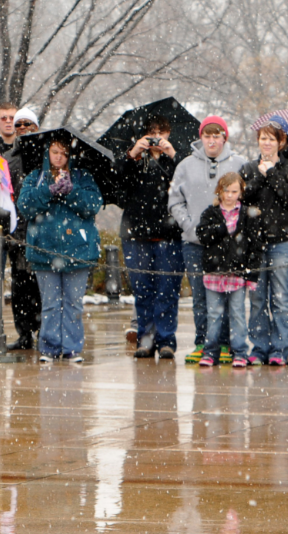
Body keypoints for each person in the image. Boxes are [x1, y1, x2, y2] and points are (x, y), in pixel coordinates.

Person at [168, 115, 247, 363]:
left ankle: (224, 344)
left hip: (228, 244)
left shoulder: (240, 163)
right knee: (201, 297)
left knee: (228, 297)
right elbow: (175, 201)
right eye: (207, 135)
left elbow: (248, 200)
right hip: (194, 243)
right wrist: (189, 225)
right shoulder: (185, 165)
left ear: (225, 137)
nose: (211, 140)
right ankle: (203, 342)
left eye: (216, 135)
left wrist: (237, 229)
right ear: (200, 137)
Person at [18, 140, 103, 362]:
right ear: (47, 153)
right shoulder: (36, 176)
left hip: (78, 251)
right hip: (44, 251)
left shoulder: (82, 177)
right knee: (50, 303)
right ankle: (49, 347)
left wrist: (72, 192)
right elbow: (25, 206)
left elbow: (93, 205)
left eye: (64, 153)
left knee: (73, 303)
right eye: (54, 152)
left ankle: (72, 348)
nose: (59, 157)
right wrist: (48, 191)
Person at [116, 115, 180, 359]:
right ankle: (145, 339)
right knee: (142, 290)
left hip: (169, 234)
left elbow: (186, 183)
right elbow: (117, 180)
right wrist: (132, 154)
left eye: (161, 133)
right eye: (151, 133)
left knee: (167, 290)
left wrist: (172, 154)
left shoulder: (175, 161)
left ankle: (166, 341)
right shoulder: (133, 159)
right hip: (136, 234)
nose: (156, 138)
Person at [241, 120, 288, 366]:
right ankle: (258, 347)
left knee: (281, 298)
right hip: (256, 243)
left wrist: (274, 173)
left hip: (283, 242)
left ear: (281, 142)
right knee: (257, 300)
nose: (266, 143)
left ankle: (280, 348)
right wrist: (260, 174)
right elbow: (244, 199)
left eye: (271, 139)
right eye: (263, 138)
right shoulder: (248, 167)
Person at [196, 172, 261, 368]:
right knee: (214, 314)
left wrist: (252, 274)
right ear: (220, 191)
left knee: (238, 314)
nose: (230, 195)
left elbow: (255, 246)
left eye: (234, 191)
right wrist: (219, 229)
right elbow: (202, 235)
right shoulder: (210, 213)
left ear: (241, 192)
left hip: (237, 274)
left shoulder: (247, 214)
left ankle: (240, 351)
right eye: (226, 191)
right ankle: (210, 352)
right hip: (214, 273)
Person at [4, 108, 42, 350]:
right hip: (17, 232)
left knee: (42, 284)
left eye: (28, 123)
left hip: (43, 231)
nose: (23, 128)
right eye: (19, 124)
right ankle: (24, 333)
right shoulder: (8, 159)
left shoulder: (49, 156)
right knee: (20, 285)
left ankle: (45, 331)